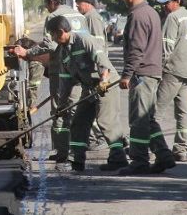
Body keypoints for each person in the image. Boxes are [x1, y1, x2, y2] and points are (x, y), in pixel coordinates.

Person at [14, 0, 86, 170]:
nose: (47, 7)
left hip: (61, 71)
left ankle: (63, 152)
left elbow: (48, 44)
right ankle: (75, 150)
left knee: (60, 111)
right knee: (76, 108)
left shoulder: (54, 18)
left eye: (46, 3)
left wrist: (27, 52)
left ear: (53, 2)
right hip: (79, 69)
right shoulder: (79, 16)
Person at [46, 16, 128, 172]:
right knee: (79, 122)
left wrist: (104, 80)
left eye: (52, 34)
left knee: (106, 121)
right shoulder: (63, 52)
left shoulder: (84, 40)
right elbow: (66, 82)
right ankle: (76, 160)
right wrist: (61, 107)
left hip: (106, 85)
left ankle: (119, 158)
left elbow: (102, 61)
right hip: (89, 89)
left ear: (61, 32)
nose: (52, 38)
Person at [118, 0, 176, 175]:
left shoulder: (138, 15)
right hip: (152, 72)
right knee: (148, 119)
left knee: (139, 120)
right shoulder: (150, 12)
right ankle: (163, 155)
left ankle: (139, 161)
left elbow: (136, 49)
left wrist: (126, 74)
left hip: (142, 73)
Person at [155, 0, 187, 162]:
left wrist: (159, 69)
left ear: (177, 1)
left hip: (174, 71)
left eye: (166, 3)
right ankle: (181, 150)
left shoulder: (173, 18)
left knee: (155, 112)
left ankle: (149, 146)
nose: (164, 7)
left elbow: (166, 46)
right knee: (184, 112)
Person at [74, 0, 108, 151]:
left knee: (93, 105)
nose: (77, 7)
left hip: (95, 70)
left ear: (86, 3)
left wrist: (101, 70)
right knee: (91, 105)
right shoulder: (87, 17)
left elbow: (98, 44)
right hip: (92, 71)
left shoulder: (92, 17)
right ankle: (95, 138)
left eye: (78, 3)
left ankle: (101, 139)